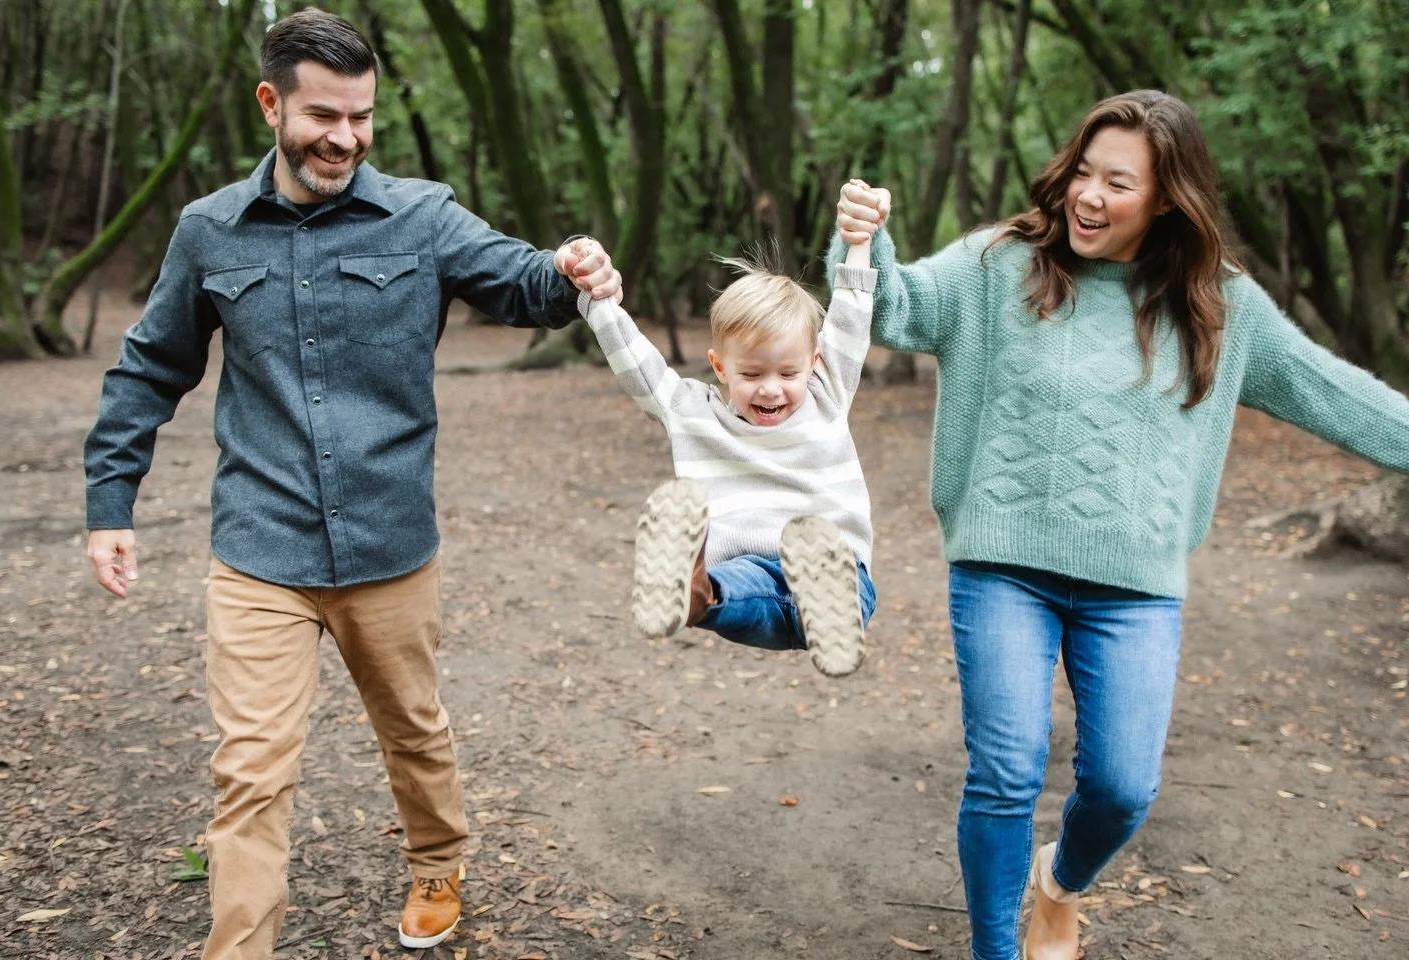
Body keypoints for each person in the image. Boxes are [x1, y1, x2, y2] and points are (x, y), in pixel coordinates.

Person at [81, 9, 621, 958]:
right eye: (323, 115)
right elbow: (148, 368)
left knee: (413, 730)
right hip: (261, 549)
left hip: (389, 544)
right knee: (249, 773)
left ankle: (437, 861)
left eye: (361, 117)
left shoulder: (422, 214)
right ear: (271, 104)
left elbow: (520, 282)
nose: (344, 137)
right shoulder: (209, 230)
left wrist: (571, 271)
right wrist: (108, 501)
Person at [830, 90, 1409, 960]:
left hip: (1135, 586)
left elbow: (1332, 390)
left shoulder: (1220, 306)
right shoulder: (1000, 265)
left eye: (1117, 183)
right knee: (1006, 772)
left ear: (1168, 198)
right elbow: (895, 308)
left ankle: (1057, 883)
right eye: (1082, 174)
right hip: (1003, 563)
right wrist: (860, 241)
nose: (1087, 197)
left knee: (1122, 788)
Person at [580, 214, 883, 677]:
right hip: (747, 571)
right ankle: (694, 591)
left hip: (834, 567)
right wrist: (596, 298)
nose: (771, 389)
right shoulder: (695, 412)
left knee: (828, 587)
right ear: (719, 367)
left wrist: (859, 241)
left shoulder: (827, 391)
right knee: (735, 588)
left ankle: (808, 600)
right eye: (752, 374)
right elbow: (637, 362)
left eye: (788, 373)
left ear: (814, 362)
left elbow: (851, 315)